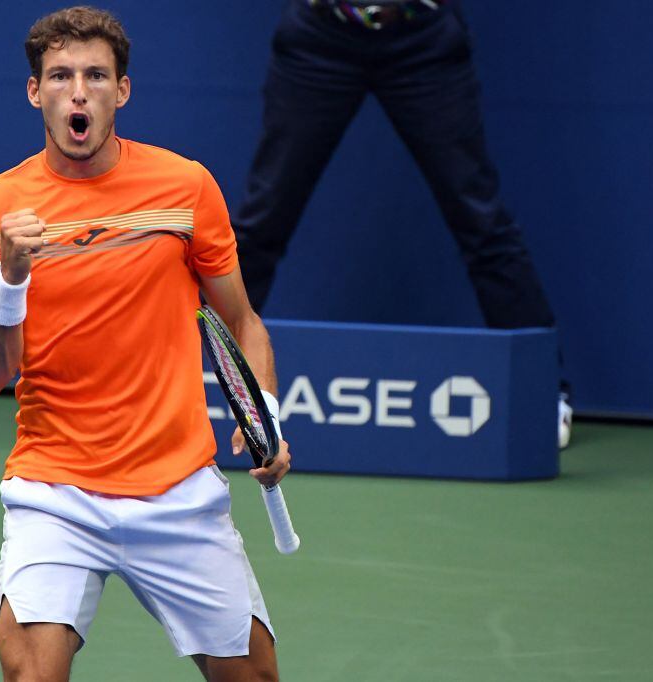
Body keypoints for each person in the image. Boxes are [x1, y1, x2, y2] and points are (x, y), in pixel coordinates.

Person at [0, 7, 290, 681]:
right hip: (56, 489)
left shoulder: (185, 188)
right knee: (30, 673)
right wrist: (11, 277)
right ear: (35, 92)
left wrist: (267, 417)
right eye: (60, 76)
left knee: (254, 677)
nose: (78, 92)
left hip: (176, 488)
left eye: (95, 76)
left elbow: (244, 324)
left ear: (122, 91)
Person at [234, 0, 573, 447]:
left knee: (482, 221)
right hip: (319, 37)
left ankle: (541, 395)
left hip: (424, 38)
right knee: (263, 222)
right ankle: (190, 384)